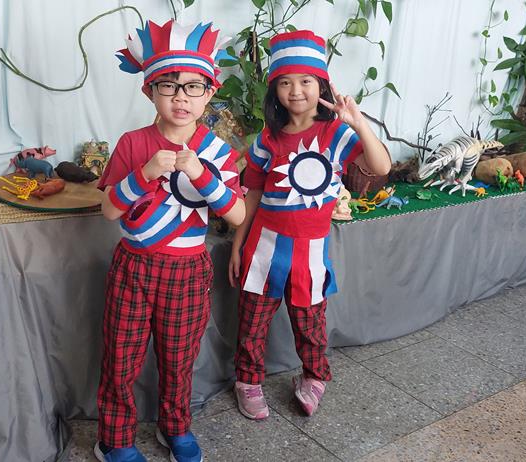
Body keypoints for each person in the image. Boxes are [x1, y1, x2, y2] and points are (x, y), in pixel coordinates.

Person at [95, 19, 244, 462]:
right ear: (149, 91)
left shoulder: (218, 152)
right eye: (169, 85)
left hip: (187, 270)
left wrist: (200, 173)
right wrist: (144, 174)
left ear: (209, 93)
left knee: (180, 358)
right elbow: (109, 210)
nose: (181, 97)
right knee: (121, 358)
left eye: (193, 86)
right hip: (134, 266)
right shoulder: (132, 143)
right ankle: (114, 439)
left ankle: (175, 427)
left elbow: (237, 214)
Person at [228, 29, 391, 420]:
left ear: (321, 86)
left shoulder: (337, 133)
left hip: (311, 251)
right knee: (252, 322)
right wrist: (237, 245)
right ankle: (247, 381)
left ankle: (314, 377)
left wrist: (358, 123)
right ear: (274, 90)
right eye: (285, 82)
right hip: (264, 247)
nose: (296, 91)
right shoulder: (267, 139)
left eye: (305, 81)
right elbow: (252, 193)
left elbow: (381, 166)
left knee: (310, 323)